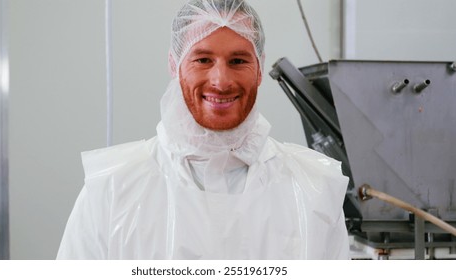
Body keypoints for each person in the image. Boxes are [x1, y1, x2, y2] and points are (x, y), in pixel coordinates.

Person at [57, 0, 350, 259]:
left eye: (238, 61)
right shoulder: (112, 189)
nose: (221, 80)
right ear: (175, 65)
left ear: (259, 70)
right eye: (203, 59)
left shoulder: (314, 189)